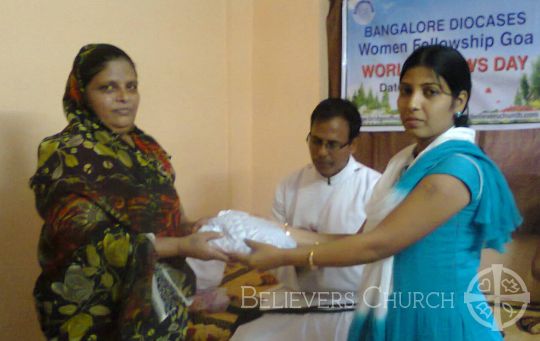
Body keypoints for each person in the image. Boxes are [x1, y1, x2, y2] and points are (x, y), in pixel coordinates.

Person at [231, 45, 522, 341]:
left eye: (430, 92)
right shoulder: (406, 164)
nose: (412, 103)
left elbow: (375, 246)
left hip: (440, 319)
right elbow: (361, 238)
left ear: (459, 101)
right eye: (406, 90)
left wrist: (283, 256)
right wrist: (276, 230)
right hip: (398, 309)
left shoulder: (456, 170)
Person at [30, 44, 228, 340]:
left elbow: (164, 212)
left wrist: (189, 226)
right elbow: (90, 242)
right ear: (82, 93)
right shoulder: (66, 154)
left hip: (156, 302)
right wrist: (181, 246)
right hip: (91, 311)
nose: (124, 98)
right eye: (108, 87)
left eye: (131, 86)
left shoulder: (146, 149)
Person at [232, 98, 381, 340]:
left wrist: (306, 250)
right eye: (316, 141)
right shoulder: (289, 186)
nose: (321, 152)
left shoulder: (375, 188)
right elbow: (273, 253)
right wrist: (297, 262)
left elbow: (371, 258)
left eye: (332, 144)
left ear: (353, 145)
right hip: (295, 297)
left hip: (350, 303)